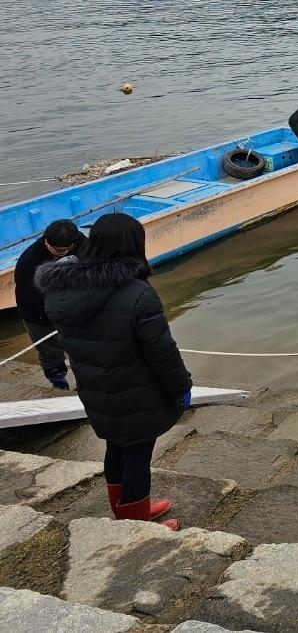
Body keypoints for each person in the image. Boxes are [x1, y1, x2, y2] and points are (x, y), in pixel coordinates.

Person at [39, 212, 193, 531]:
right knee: (137, 454)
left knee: (116, 446)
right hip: (134, 391)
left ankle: (127, 514)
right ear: (133, 245)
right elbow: (162, 352)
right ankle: (136, 528)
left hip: (96, 391)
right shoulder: (137, 293)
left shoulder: (64, 290)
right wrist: (182, 387)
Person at [13, 219, 82, 389]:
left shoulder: (80, 243)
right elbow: (32, 298)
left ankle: (84, 381)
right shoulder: (28, 263)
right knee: (50, 352)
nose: (64, 253)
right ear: (46, 241)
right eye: (58, 250)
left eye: (68, 250)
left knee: (82, 346)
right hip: (38, 313)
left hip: (74, 306)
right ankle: (58, 383)